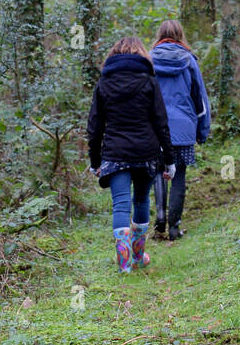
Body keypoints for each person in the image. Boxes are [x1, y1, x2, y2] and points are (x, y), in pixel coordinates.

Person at [87, 37, 175, 273]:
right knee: (141, 200)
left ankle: (124, 264)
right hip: (146, 152)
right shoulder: (149, 81)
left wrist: (94, 161)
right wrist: (169, 160)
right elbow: (161, 123)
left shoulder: (104, 83)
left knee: (121, 205)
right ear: (142, 55)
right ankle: (137, 257)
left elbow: (94, 127)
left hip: (115, 153)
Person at [150, 19, 211, 241]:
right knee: (179, 175)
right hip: (183, 128)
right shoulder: (189, 61)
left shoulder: (148, 59)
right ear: (180, 35)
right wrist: (202, 131)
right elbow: (200, 100)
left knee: (158, 170)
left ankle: (159, 218)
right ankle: (174, 227)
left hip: (155, 127)